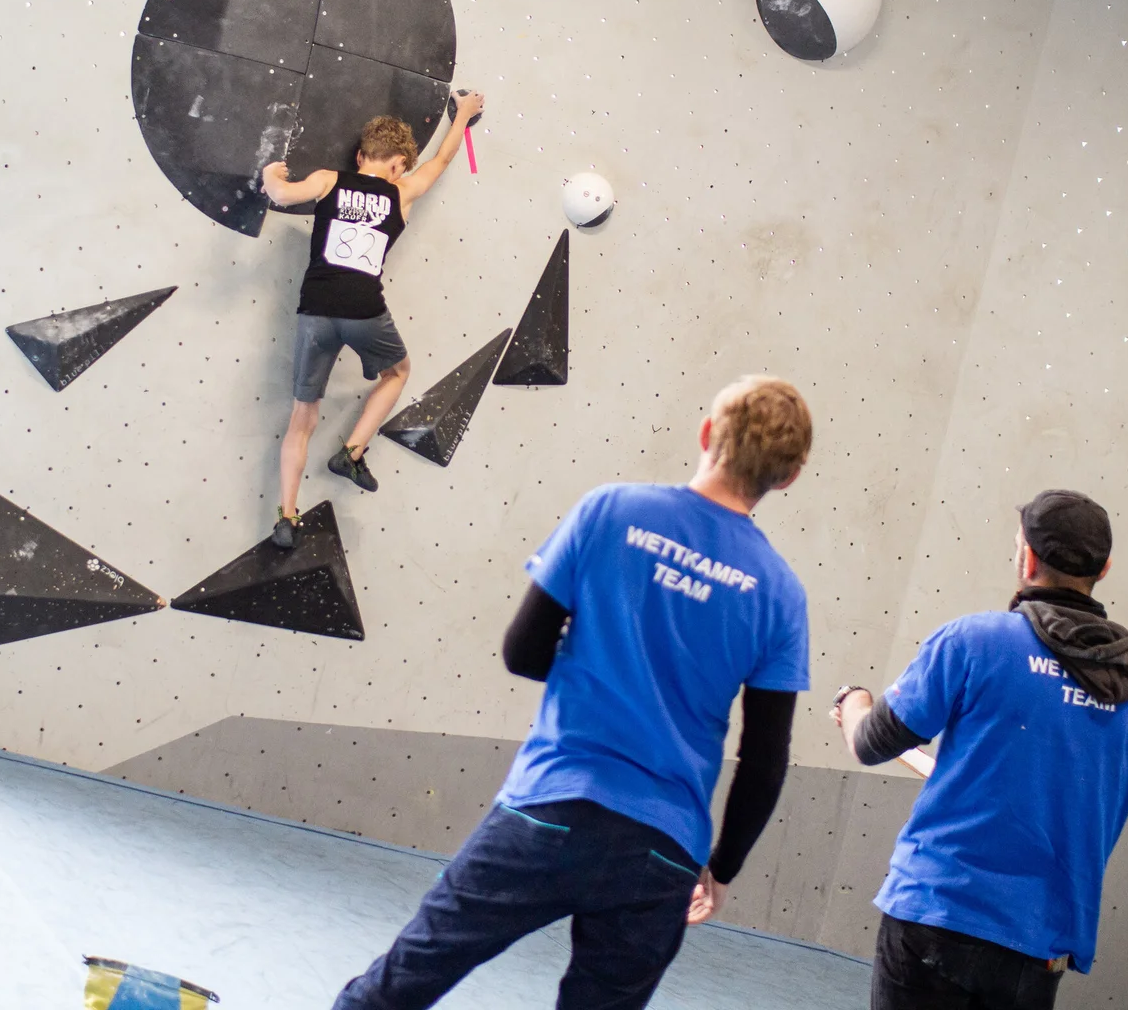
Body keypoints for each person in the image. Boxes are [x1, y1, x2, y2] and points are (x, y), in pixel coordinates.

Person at [334, 375, 815, 1010]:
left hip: (548, 806)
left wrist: (599, 661)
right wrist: (720, 870)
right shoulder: (781, 594)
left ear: (706, 434)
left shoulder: (610, 511)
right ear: (788, 477)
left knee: (400, 984)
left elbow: (523, 652)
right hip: (663, 852)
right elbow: (764, 761)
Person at [829, 490, 1128, 1010]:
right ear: (1104, 569)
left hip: (939, 915)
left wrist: (855, 701)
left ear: (1027, 558)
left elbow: (871, 742)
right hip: (1042, 947)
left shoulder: (974, 642)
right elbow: (1102, 806)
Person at [260, 94, 482, 549]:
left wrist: (271, 174)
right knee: (397, 372)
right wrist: (462, 113)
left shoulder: (327, 180)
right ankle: (351, 452)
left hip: (315, 312)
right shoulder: (402, 192)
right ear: (399, 165)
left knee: (302, 417)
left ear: (361, 157)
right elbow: (443, 157)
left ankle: (286, 516)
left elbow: (280, 194)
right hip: (364, 311)